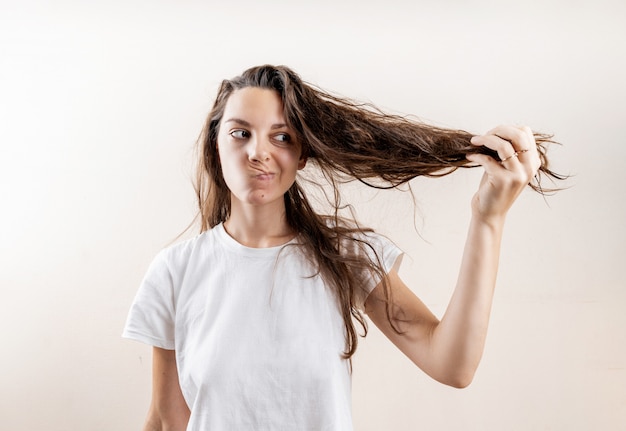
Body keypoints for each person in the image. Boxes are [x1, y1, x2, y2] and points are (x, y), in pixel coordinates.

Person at [123, 64, 563, 430]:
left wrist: (488, 220)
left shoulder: (346, 257)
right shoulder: (175, 271)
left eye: (282, 137)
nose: (259, 152)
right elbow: (167, 420)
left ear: (303, 155)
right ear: (215, 145)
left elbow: (452, 365)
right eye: (241, 133)